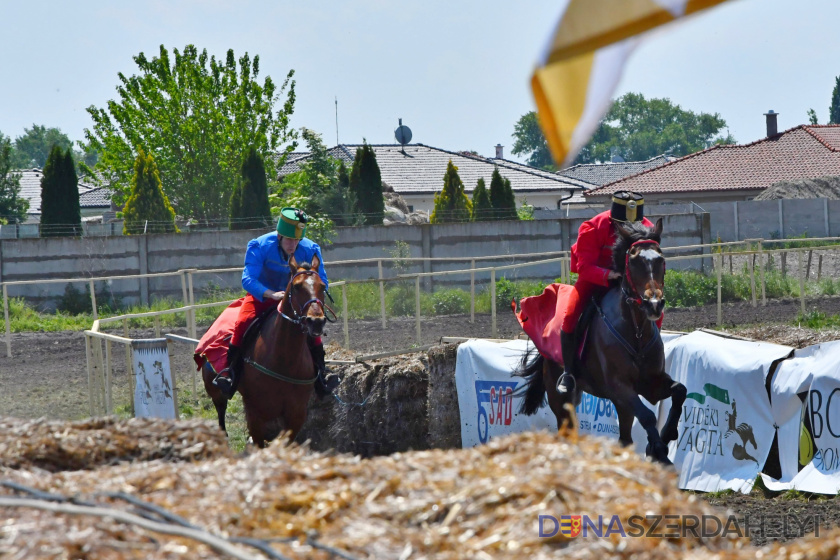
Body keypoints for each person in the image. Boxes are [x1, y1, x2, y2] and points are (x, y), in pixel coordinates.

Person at [212, 207, 330, 398]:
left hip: (295, 301)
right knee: (242, 323)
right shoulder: (259, 245)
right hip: (264, 297)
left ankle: (322, 375)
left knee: (312, 326)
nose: (293, 245)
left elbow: (322, 279)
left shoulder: (311, 249)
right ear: (280, 236)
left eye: (297, 240)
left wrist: (314, 301)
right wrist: (271, 294)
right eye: (290, 240)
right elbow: (248, 279)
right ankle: (229, 373)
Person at [557, 191, 657, 394]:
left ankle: (652, 357)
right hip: (595, 279)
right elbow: (584, 267)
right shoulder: (592, 227)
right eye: (623, 225)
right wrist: (609, 274)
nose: (629, 229)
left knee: (655, 307)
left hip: (629, 282)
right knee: (570, 316)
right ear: (614, 219)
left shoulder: (646, 227)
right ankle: (568, 373)